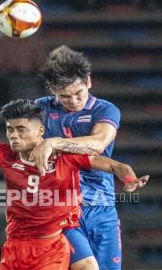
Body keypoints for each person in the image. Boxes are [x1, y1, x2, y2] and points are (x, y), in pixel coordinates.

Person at [0, 99, 148, 270]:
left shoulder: (65, 157)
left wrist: (129, 179)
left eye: (21, 129)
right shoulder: (3, 153)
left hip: (52, 243)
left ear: (40, 130)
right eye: (10, 129)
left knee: (89, 266)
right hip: (15, 244)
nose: (14, 135)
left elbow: (115, 166)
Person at [31, 45, 124, 269]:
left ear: (88, 82)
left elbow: (98, 143)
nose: (73, 100)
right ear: (52, 90)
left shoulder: (105, 110)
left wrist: (54, 142)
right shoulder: (39, 110)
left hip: (102, 205)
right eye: (64, 96)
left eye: (78, 93)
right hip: (59, 206)